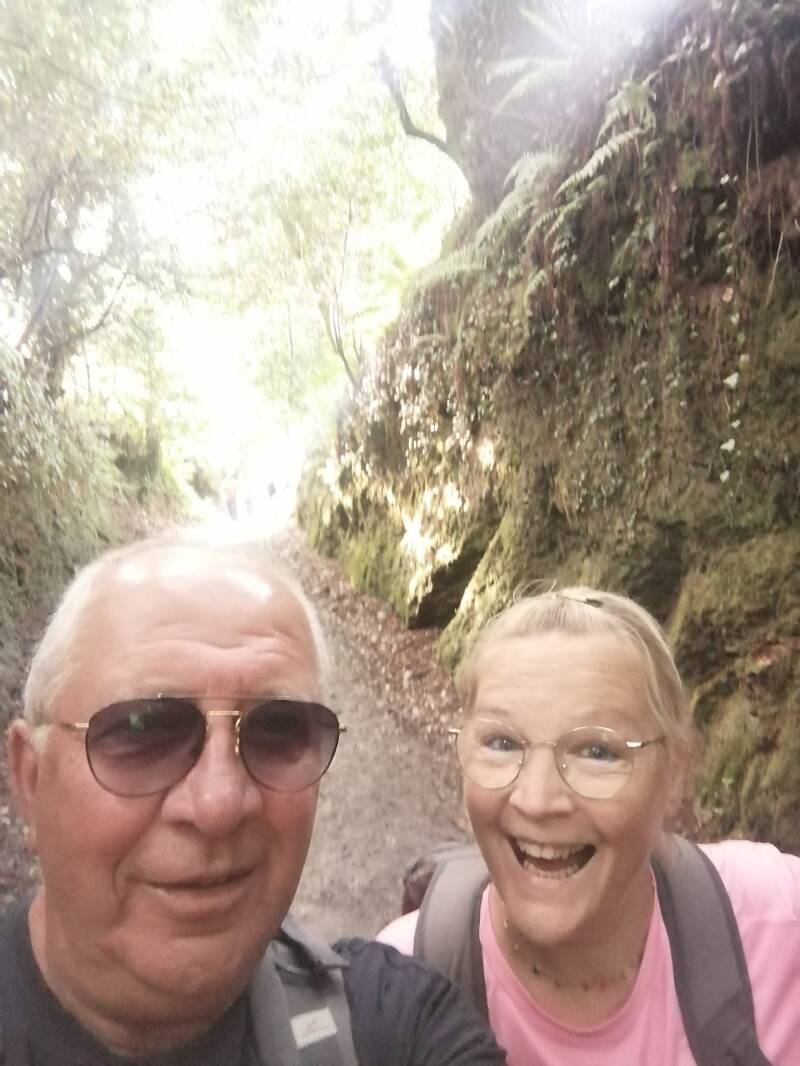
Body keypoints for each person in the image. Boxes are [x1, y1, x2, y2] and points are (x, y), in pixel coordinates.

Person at [2, 535, 506, 1065]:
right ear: (30, 778)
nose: (219, 803)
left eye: (278, 730)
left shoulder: (399, 1027)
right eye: (144, 731)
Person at [378, 587, 800, 1065]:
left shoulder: (773, 921)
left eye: (597, 752)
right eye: (501, 743)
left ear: (674, 775)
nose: (537, 800)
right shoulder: (393, 992)